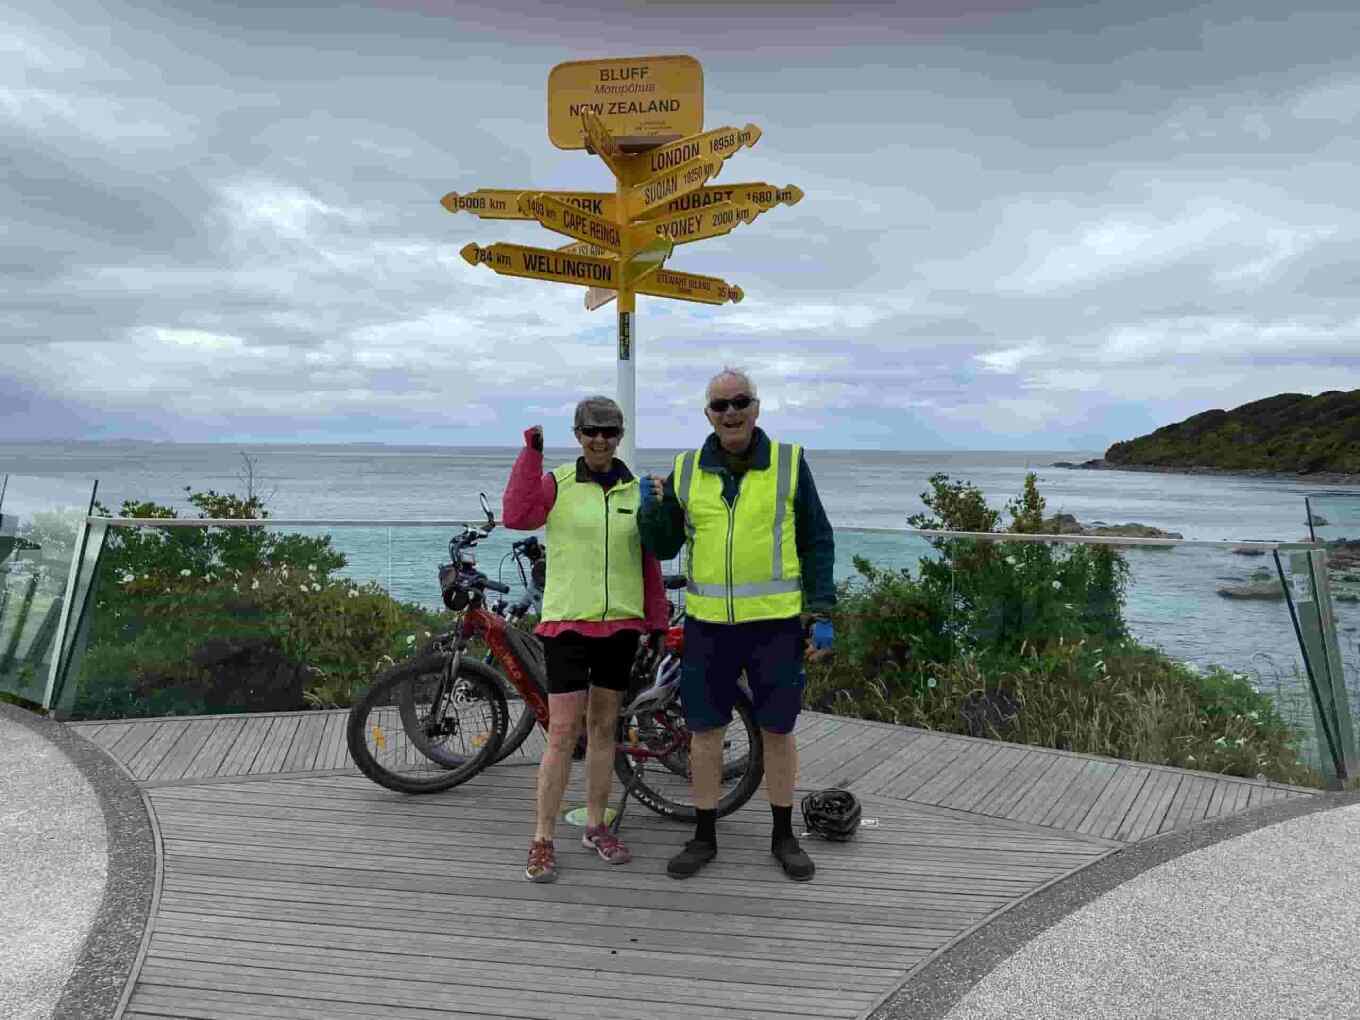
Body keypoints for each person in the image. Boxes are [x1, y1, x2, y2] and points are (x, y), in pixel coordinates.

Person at [638, 368, 836, 881]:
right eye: (720, 405)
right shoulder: (684, 470)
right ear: (707, 414)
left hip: (775, 627)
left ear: (756, 407)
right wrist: (650, 513)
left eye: (739, 402)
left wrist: (822, 614)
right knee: (704, 732)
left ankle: (783, 835)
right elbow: (664, 548)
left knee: (778, 731)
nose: (730, 412)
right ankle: (704, 836)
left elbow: (816, 540)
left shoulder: (790, 464)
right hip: (709, 628)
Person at [502, 395, 668, 883]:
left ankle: (596, 826)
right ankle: (542, 837)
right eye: (591, 431)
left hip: (620, 627)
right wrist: (530, 454)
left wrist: (655, 622)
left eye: (610, 431)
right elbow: (517, 515)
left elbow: (649, 563)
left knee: (604, 732)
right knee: (562, 734)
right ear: (577, 434)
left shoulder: (637, 492)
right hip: (568, 625)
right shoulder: (557, 483)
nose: (600, 439)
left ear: (620, 436)